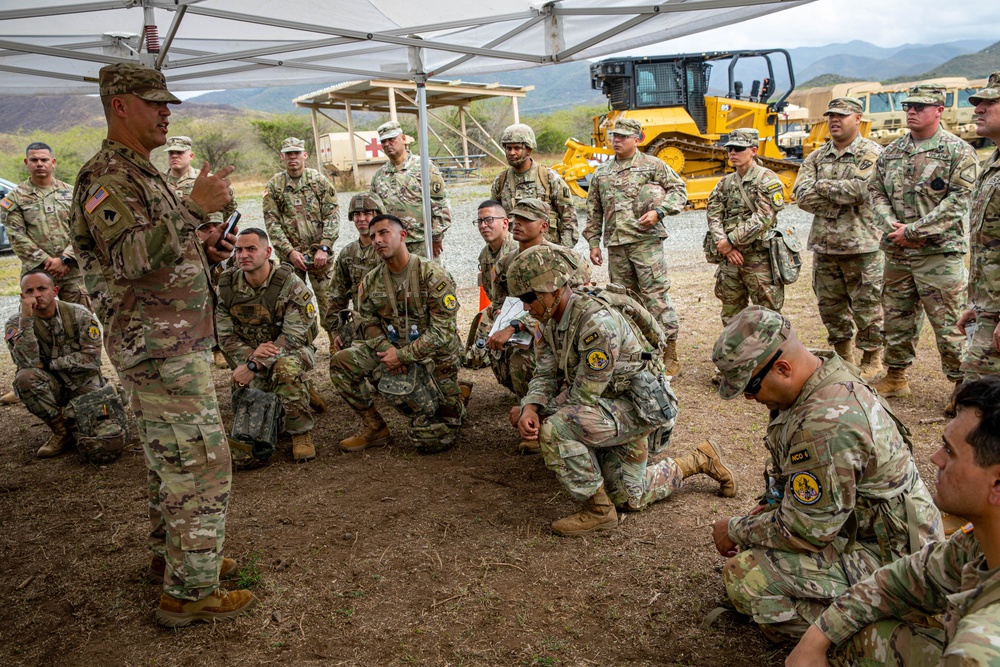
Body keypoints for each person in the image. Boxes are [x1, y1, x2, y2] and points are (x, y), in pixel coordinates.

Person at [71, 62, 254, 627]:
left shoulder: (139, 172)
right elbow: (127, 259)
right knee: (202, 460)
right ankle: (190, 592)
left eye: (167, 102)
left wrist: (203, 247)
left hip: (171, 341)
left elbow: (154, 254)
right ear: (119, 106)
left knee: (171, 458)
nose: (166, 112)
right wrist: (195, 206)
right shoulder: (107, 177)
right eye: (155, 103)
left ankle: (175, 557)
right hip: (158, 346)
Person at [709, 306, 942, 643]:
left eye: (750, 386)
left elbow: (806, 531)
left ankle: (883, 641)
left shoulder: (825, 424)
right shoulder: (820, 374)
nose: (748, 397)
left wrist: (735, 529)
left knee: (747, 577)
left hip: (896, 555)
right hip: (869, 529)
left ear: (783, 368)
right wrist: (771, 506)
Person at [510, 244, 735, 537]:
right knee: (630, 497)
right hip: (610, 406)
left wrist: (542, 416)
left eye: (529, 298)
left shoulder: (596, 324)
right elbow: (546, 372)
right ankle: (698, 460)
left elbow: (582, 397)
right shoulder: (553, 320)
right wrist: (531, 406)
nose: (526, 307)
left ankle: (599, 511)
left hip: (637, 410)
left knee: (556, 430)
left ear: (553, 290)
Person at [786, 376, 1000, 667]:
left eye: (950, 451)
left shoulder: (977, 649)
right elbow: (897, 581)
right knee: (863, 636)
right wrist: (818, 636)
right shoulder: (979, 543)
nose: (936, 459)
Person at [869, 84, 979, 415]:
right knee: (897, 318)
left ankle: (963, 386)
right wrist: (892, 227)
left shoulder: (958, 151)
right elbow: (875, 191)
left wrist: (916, 231)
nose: (912, 111)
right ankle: (896, 376)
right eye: (908, 106)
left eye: (920, 106)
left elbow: (960, 199)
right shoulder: (892, 151)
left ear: (939, 110)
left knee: (949, 324)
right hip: (898, 254)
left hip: (939, 254)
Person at [330, 214, 467, 453]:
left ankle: (454, 398)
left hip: (435, 357)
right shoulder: (371, 281)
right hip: (392, 349)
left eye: (384, 233)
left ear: (402, 235)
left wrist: (403, 356)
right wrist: (387, 350)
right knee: (342, 362)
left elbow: (443, 331)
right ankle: (374, 426)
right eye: (373, 236)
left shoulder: (432, 275)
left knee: (430, 441)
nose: (377, 240)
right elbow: (368, 322)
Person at [480, 198, 591, 452]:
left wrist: (518, 325)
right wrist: (500, 325)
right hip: (523, 330)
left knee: (525, 360)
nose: (518, 223)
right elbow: (501, 302)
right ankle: (529, 410)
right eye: (515, 218)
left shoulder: (565, 259)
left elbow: (576, 302)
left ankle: (540, 423)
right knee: (504, 355)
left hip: (553, 331)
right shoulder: (506, 264)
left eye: (526, 219)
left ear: (543, 226)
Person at [584, 118, 688, 376]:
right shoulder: (602, 172)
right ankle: (636, 351)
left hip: (646, 242)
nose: (616, 140)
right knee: (624, 300)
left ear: (637, 139)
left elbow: (679, 190)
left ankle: (669, 351)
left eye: (623, 136)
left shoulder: (652, 165)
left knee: (655, 297)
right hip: (616, 246)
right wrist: (593, 242)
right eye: (614, 136)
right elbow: (594, 210)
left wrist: (660, 212)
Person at [792, 98, 885, 380]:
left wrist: (821, 187)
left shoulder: (872, 153)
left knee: (868, 305)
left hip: (862, 245)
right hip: (825, 245)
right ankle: (844, 357)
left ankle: (872, 359)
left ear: (857, 118)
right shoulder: (817, 157)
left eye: (841, 116)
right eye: (831, 116)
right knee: (830, 307)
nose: (834, 120)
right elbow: (801, 195)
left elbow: (861, 189)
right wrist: (837, 199)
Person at [216, 228, 319, 463]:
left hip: (292, 352)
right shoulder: (227, 287)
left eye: (251, 249)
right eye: (239, 250)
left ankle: (301, 433)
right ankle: (298, 393)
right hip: (250, 354)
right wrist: (251, 358)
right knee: (250, 394)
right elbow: (225, 337)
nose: (243, 255)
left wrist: (254, 364)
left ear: (267, 252)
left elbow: (292, 337)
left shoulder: (291, 285)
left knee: (285, 369)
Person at [1, 142, 91, 406]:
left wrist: (65, 257)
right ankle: (25, 379)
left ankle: (85, 377)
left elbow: (82, 228)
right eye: (34, 160)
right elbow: (15, 235)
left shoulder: (70, 193)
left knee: (78, 324)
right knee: (29, 327)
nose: (39, 164)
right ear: (26, 163)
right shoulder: (15, 198)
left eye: (43, 159)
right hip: (35, 277)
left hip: (71, 273)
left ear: (53, 162)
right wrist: (46, 262)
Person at [4, 270, 106, 458]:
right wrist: (26, 321)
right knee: (25, 378)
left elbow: (91, 360)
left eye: (42, 288)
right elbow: (27, 363)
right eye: (29, 291)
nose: (36, 295)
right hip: (51, 385)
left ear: (55, 290)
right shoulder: (15, 323)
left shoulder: (79, 314)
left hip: (82, 382)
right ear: (22, 296)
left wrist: (51, 364)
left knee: (103, 440)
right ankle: (61, 432)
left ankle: (77, 420)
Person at [165, 134, 237, 368]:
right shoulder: (161, 183)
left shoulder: (202, 180)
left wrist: (218, 232)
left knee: (214, 294)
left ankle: (218, 347)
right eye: (171, 153)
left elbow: (229, 204)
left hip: (207, 244)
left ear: (191, 156)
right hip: (175, 248)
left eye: (179, 152)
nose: (175, 156)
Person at [706, 128, 787, 331]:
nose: (733, 153)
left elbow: (764, 217)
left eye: (739, 148)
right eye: (730, 149)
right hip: (730, 259)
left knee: (767, 314)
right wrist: (724, 246)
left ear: (753, 150)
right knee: (731, 313)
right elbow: (713, 214)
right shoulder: (725, 183)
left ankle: (769, 358)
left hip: (759, 258)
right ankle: (736, 358)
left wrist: (731, 240)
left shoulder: (766, 179)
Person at [262, 136, 340, 340]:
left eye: (297, 153)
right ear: (282, 157)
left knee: (327, 300)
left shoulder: (319, 181)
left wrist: (324, 247)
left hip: (319, 257)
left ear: (304, 155)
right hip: (291, 258)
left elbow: (332, 214)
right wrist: (289, 251)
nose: (293, 157)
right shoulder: (275, 186)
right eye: (289, 154)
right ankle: (301, 342)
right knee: (292, 303)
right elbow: (272, 222)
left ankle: (333, 341)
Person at [958, 72, 1000, 384]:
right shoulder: (993, 162)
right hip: (989, 310)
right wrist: (978, 306)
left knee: (978, 409)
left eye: (990, 102)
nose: (978, 109)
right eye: (978, 102)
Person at [370, 120, 451, 259]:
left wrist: (437, 237)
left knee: (427, 279)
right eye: (384, 141)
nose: (387, 144)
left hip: (422, 242)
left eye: (392, 139)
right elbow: (375, 212)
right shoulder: (379, 176)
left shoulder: (424, 167)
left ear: (403, 139)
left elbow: (440, 204)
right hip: (392, 244)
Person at [491, 123, 579, 248]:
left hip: (546, 255)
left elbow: (569, 219)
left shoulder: (549, 178)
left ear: (529, 149)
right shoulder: (500, 181)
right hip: (512, 255)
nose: (511, 153)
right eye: (508, 148)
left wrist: (563, 252)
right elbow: (493, 221)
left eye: (517, 148)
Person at [325, 192, 385, 351]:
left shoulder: (390, 249)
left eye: (367, 213)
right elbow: (336, 295)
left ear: (378, 215)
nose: (362, 218)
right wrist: (336, 330)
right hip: (362, 323)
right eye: (357, 214)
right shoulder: (348, 254)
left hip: (392, 323)